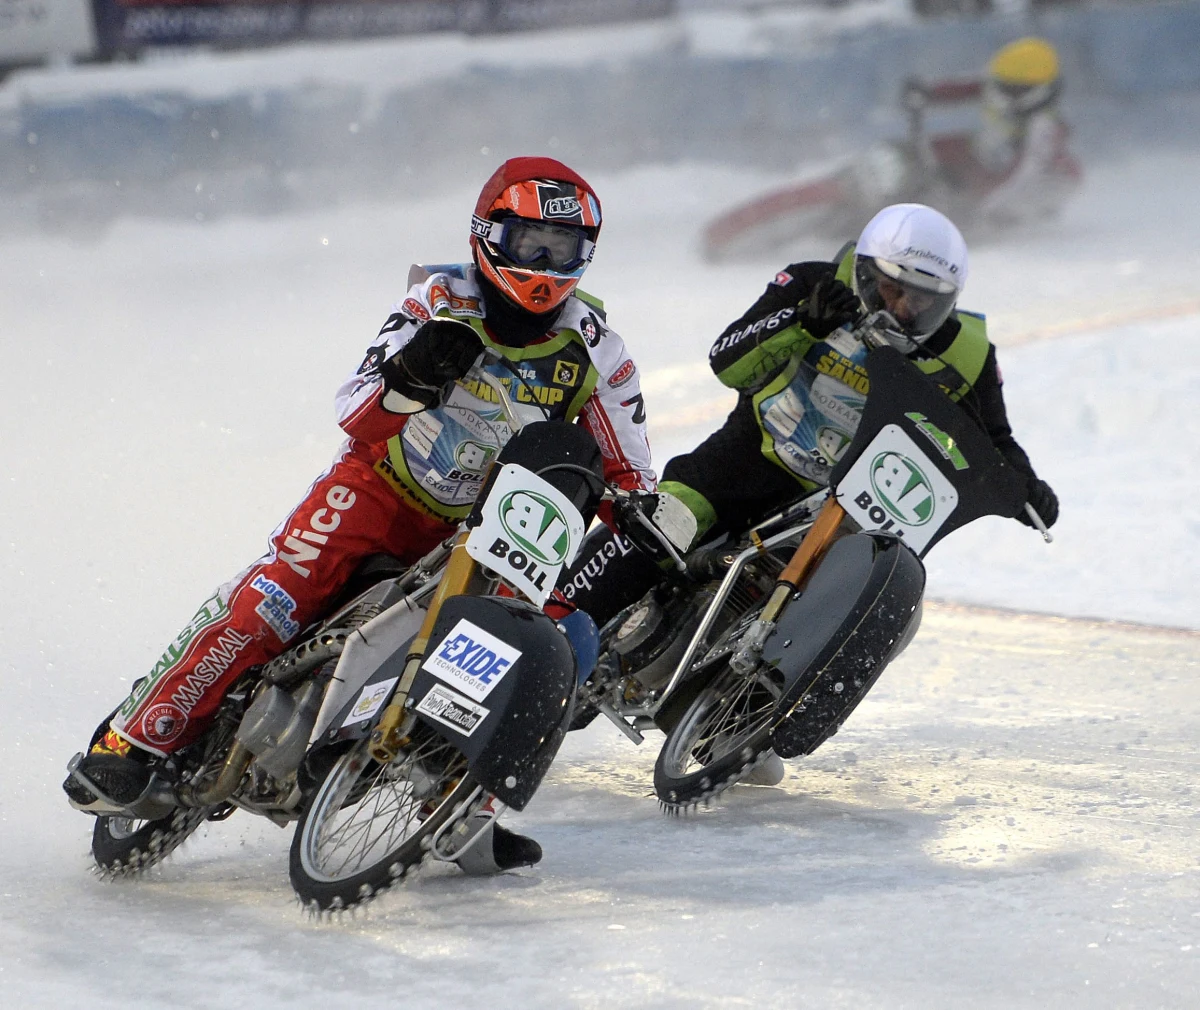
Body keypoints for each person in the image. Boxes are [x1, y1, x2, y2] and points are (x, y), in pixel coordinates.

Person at [63, 156, 656, 870]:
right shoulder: (439, 301)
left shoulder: (597, 351)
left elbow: (630, 467)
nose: (541, 264)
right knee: (277, 597)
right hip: (377, 490)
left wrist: (644, 513)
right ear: (485, 234)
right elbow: (354, 408)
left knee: (558, 645)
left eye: (559, 250)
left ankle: (466, 806)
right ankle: (133, 738)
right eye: (526, 242)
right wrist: (409, 378)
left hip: (486, 533)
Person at [560, 203, 1059, 769]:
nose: (904, 308)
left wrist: (1028, 488)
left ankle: (747, 716)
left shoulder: (968, 351)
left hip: (846, 502)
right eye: (893, 290)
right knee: (664, 522)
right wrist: (801, 322)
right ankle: (556, 628)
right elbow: (728, 358)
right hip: (750, 458)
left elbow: (995, 439)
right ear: (867, 272)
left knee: (888, 603)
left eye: (924, 301)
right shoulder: (811, 281)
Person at [898, 36, 1081, 227]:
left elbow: (1022, 176)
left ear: (1039, 91)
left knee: (1013, 203)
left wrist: (980, 213)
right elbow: (974, 87)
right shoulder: (1006, 88)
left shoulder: (1043, 127)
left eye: (1012, 90)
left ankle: (1009, 224)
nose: (1001, 94)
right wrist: (929, 93)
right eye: (1001, 85)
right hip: (999, 160)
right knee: (945, 148)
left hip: (1038, 181)